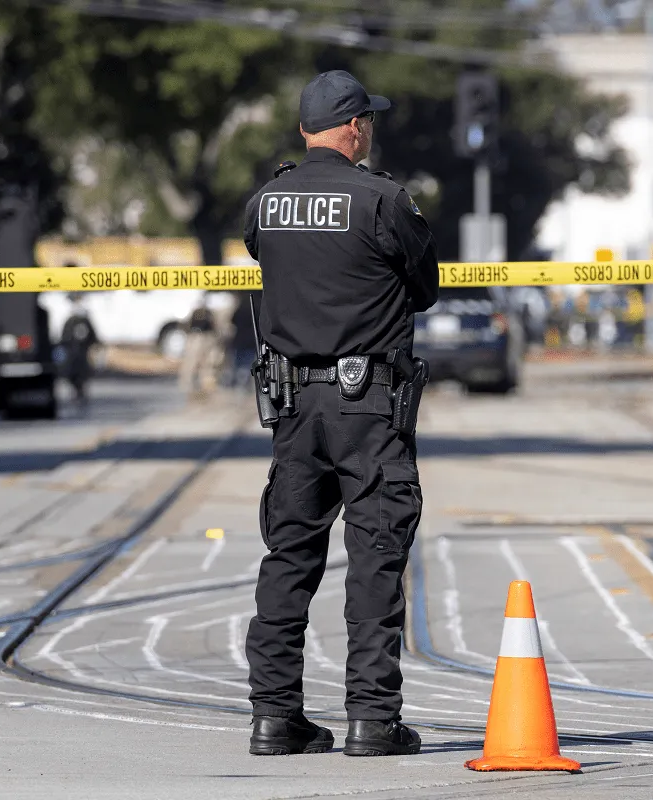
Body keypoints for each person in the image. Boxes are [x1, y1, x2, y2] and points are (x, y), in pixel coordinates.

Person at [241, 70, 439, 758]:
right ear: (354, 127)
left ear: (305, 130)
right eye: (368, 121)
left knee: (288, 557)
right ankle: (372, 719)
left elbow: (264, 256)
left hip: (293, 407)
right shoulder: (382, 200)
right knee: (376, 556)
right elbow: (425, 288)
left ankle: (274, 717)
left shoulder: (265, 201)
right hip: (368, 408)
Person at [58, 295, 99, 406]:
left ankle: (81, 392)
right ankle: (76, 391)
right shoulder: (70, 321)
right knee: (72, 374)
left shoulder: (86, 321)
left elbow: (93, 337)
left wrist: (93, 348)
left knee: (82, 375)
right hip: (72, 355)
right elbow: (64, 338)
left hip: (83, 355)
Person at [178, 297, 218, 401]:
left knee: (207, 364)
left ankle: (206, 384)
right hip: (196, 337)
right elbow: (187, 326)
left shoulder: (208, 313)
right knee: (192, 362)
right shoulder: (195, 312)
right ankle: (187, 383)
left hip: (206, 337)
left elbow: (213, 327)